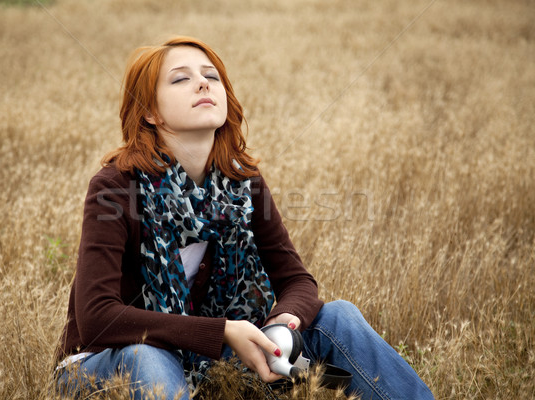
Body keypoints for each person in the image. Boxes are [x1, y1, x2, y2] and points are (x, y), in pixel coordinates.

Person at [54, 36, 434, 400]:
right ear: (150, 112)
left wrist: (280, 329)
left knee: (338, 317)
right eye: (181, 79)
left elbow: (297, 281)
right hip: (103, 363)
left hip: (205, 359)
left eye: (212, 76)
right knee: (148, 356)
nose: (202, 83)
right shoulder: (116, 186)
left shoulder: (242, 182)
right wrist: (222, 332)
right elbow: (97, 317)